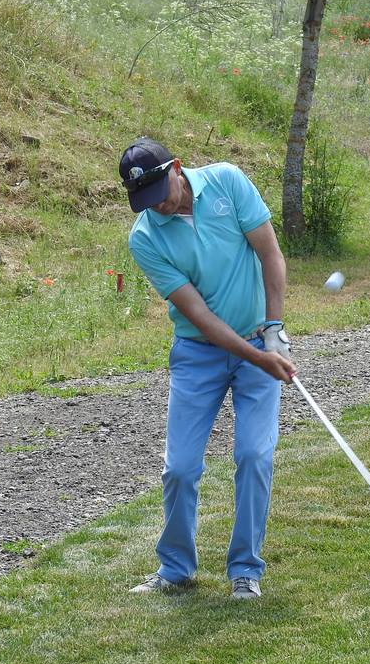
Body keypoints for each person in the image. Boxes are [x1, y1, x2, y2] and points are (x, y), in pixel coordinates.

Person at [119, 137, 296, 600]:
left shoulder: (227, 181)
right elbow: (197, 314)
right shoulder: (145, 237)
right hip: (198, 354)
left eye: (160, 192)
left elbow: (270, 254)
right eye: (144, 201)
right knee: (179, 467)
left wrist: (274, 330)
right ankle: (175, 568)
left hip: (260, 340)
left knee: (255, 456)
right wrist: (260, 356)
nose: (156, 206)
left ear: (177, 168)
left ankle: (245, 570)